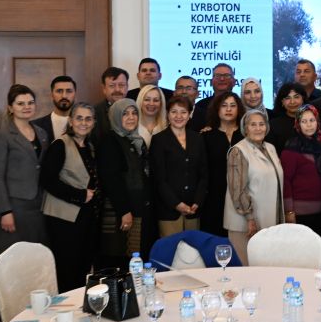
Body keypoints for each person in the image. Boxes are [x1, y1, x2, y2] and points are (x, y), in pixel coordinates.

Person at [41, 102, 100, 292]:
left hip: (84, 217)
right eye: (79, 118)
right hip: (62, 220)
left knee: (82, 267)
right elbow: (47, 181)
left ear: (94, 122)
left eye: (88, 119)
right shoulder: (60, 145)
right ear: (71, 121)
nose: (84, 123)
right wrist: (79, 195)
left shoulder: (89, 146)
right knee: (67, 269)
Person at [0, 84, 50, 259]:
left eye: (30, 103)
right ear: (10, 107)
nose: (26, 107)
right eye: (20, 103)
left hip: (39, 204)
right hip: (15, 206)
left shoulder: (41, 133)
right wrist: (5, 211)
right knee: (12, 257)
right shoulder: (3, 135)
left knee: (35, 256)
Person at [97, 98, 155, 267]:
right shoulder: (110, 141)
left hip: (138, 207)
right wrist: (124, 211)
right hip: (120, 212)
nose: (131, 117)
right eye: (125, 114)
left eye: (134, 113)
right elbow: (111, 179)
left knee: (135, 257)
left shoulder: (136, 140)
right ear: (115, 117)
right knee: (120, 259)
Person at [225, 110, 285, 262]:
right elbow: (237, 189)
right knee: (246, 268)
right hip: (246, 223)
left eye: (261, 124)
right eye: (253, 125)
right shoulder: (238, 151)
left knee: (265, 267)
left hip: (267, 221)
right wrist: (249, 218)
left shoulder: (270, 148)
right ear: (245, 128)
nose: (258, 128)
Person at [281, 105, 321, 265]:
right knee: (302, 259)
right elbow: (286, 181)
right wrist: (289, 211)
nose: (309, 125)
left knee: (320, 258)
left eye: (312, 120)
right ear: (298, 124)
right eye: (304, 121)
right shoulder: (292, 147)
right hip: (300, 214)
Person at [150, 95, 208, 237]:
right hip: (168, 210)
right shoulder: (159, 140)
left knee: (192, 248)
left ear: (189, 115)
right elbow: (159, 179)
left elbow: (204, 174)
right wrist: (177, 204)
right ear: (167, 114)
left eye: (183, 112)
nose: (178, 116)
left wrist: (198, 201)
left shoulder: (198, 138)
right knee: (171, 248)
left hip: (193, 208)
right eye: (174, 112)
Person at [201, 92, 246, 237]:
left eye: (233, 105)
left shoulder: (246, 135)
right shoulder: (206, 136)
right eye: (224, 105)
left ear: (239, 109)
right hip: (214, 197)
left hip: (242, 196)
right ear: (217, 109)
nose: (228, 109)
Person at [192, 63, 236, 130]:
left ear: (234, 82)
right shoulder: (200, 106)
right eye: (217, 76)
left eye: (226, 75)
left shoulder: (241, 105)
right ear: (211, 82)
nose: (222, 79)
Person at [33, 75, 76, 142]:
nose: (64, 96)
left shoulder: (85, 125)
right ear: (52, 95)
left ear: (75, 94)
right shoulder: (36, 126)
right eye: (59, 91)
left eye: (69, 91)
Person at [93, 66, 129, 140]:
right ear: (104, 89)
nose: (117, 89)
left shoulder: (135, 109)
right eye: (112, 86)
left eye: (121, 85)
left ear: (127, 87)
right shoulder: (95, 113)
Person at [268, 83, 306, 151]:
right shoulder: (273, 125)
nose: (292, 102)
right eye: (288, 98)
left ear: (303, 99)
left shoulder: (312, 120)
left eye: (296, 97)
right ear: (282, 102)